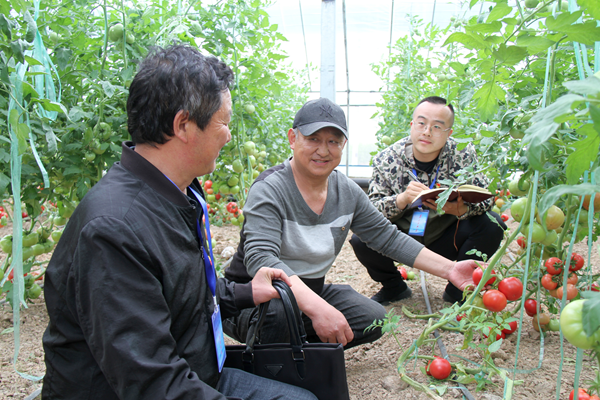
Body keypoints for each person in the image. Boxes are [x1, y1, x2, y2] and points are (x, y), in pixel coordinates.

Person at [42, 45, 318, 400]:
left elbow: (178, 286)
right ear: (184, 125)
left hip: (196, 373)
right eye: (223, 122)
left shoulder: (178, 193)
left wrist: (245, 292)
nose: (228, 135)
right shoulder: (114, 230)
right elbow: (152, 383)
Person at [223, 97, 481, 350]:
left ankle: (293, 348)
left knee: (373, 318)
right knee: (279, 313)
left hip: (310, 293)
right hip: (256, 300)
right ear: (293, 138)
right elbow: (261, 258)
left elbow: (386, 237)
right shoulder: (270, 188)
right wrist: (319, 309)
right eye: (313, 139)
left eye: (333, 141)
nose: (323, 150)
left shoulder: (346, 191)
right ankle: (283, 352)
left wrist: (451, 270)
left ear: (343, 144)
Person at [350, 96, 506, 305]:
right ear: (412, 124)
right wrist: (402, 199)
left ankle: (457, 290)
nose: (427, 132)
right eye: (422, 123)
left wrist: (460, 210)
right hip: (401, 238)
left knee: (492, 224)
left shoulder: (462, 154)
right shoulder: (388, 159)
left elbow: (487, 197)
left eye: (437, 126)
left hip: (447, 235)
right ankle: (394, 287)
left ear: (449, 133)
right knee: (361, 237)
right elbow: (372, 210)